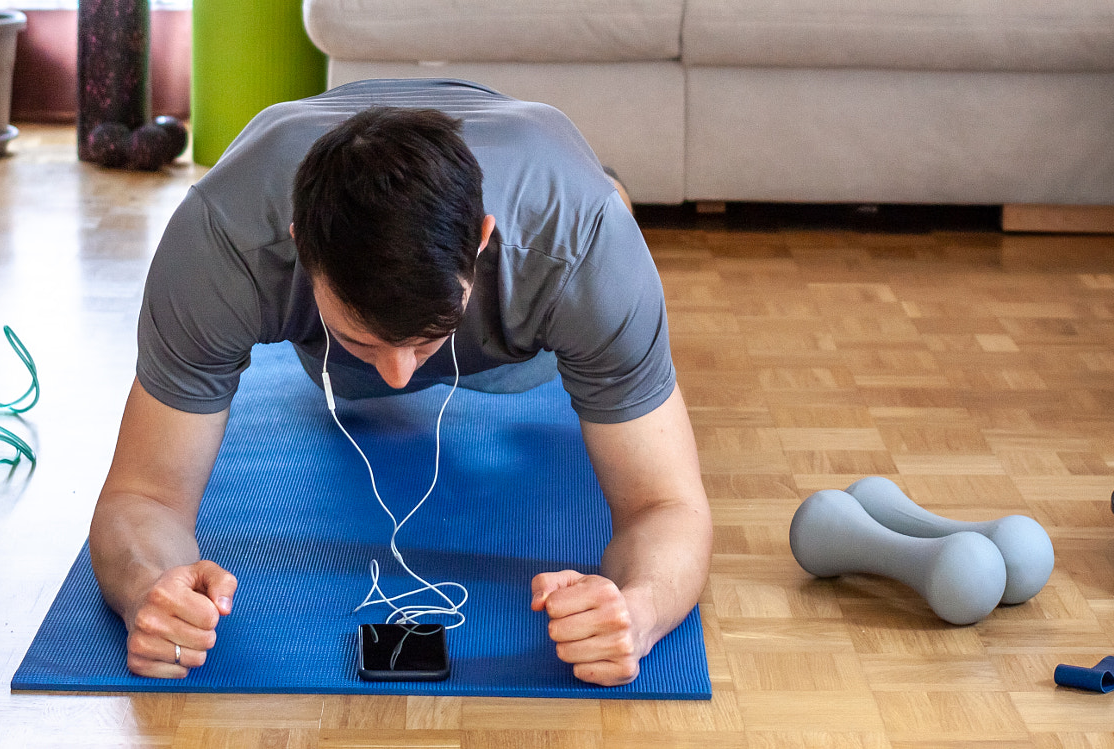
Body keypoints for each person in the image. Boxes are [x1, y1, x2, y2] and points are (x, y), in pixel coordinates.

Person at [90, 79, 710, 687]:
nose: (398, 374)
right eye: (367, 341)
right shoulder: (219, 244)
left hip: (535, 303)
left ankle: (612, 189)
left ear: (483, 241)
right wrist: (151, 589)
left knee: (609, 234)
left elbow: (667, 505)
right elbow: (144, 496)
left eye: (426, 340)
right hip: (320, 339)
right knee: (361, 377)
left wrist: (638, 612)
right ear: (303, 252)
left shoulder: (581, 247)